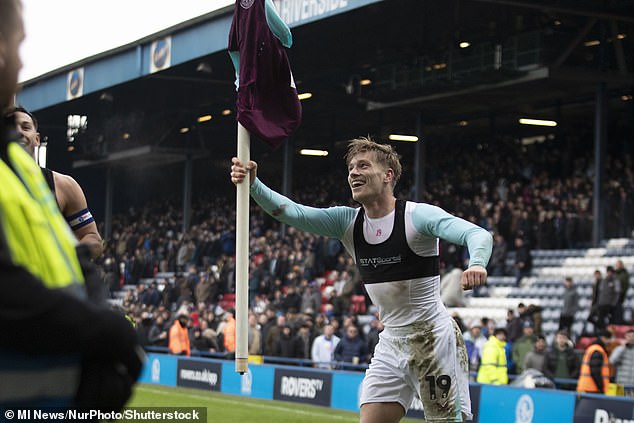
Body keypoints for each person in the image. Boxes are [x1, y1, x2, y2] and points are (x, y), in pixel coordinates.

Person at [231, 136, 492, 422]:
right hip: (392, 341)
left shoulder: (417, 217)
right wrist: (253, 185)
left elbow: (477, 234)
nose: (353, 173)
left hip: (433, 340)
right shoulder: (347, 222)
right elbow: (292, 213)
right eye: (351, 168)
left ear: (388, 175)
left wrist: (477, 263)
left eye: (363, 166)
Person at [0, 0, 142, 411]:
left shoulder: (48, 181)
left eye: (27, 126)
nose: (21, 62)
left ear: (39, 138)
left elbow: (80, 250)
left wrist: (92, 302)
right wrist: (97, 327)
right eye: (18, 44)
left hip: (53, 391)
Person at [4, 106, 103, 258]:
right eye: (11, 128)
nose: (18, 132)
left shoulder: (63, 185)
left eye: (25, 127)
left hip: (51, 280)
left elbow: (93, 238)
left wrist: (72, 254)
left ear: (37, 139)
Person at [576, 330, 612, 394]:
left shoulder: (593, 348)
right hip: (592, 389)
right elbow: (595, 371)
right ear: (603, 338)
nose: (609, 342)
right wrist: (601, 387)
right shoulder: (598, 350)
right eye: (608, 339)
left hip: (587, 387)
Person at [613, 259, 630, 324]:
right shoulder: (615, 273)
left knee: (618, 309)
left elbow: (624, 284)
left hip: (620, 294)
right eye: (617, 265)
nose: (617, 266)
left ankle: (619, 323)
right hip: (613, 295)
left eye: (619, 265)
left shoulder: (624, 273)